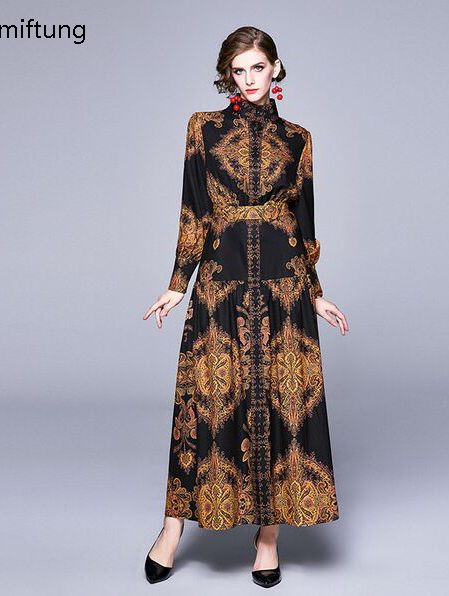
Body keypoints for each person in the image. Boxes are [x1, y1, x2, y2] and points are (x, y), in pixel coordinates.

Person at [142, 26, 349, 588]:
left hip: (284, 292)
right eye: (238, 70)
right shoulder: (203, 129)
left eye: (258, 67)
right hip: (221, 286)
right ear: (227, 76)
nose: (249, 79)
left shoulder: (299, 139)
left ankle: (268, 538)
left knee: (282, 409)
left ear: (276, 68)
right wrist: (178, 282)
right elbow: (194, 211)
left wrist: (315, 290)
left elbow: (304, 224)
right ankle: (171, 529)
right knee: (204, 407)